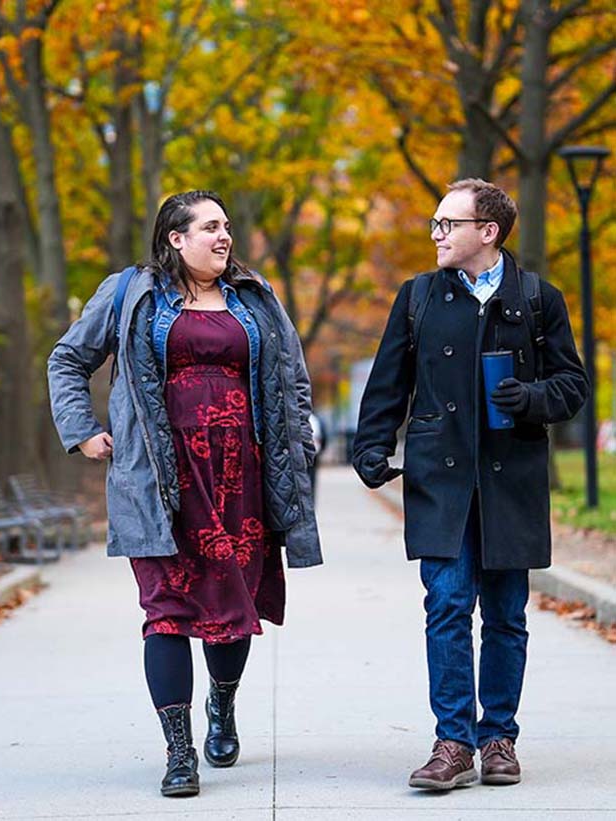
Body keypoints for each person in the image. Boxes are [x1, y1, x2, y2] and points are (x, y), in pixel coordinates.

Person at [48, 190, 322, 797]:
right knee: (165, 609)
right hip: (158, 478)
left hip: (243, 476)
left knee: (233, 605)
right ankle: (178, 751)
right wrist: (83, 430)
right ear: (176, 237)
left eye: (227, 227)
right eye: (210, 227)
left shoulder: (255, 297)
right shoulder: (131, 292)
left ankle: (221, 709)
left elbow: (292, 378)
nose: (224, 237)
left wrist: (298, 443)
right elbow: (67, 359)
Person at [353, 179, 588, 791]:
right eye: (434, 223)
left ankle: (499, 738)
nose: (435, 233)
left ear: (487, 231)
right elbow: (388, 384)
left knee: (506, 615)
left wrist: (532, 397)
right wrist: (371, 445)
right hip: (440, 479)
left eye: (446, 223)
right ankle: (453, 742)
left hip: (513, 482)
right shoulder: (417, 298)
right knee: (448, 606)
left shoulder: (538, 299)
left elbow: (573, 386)